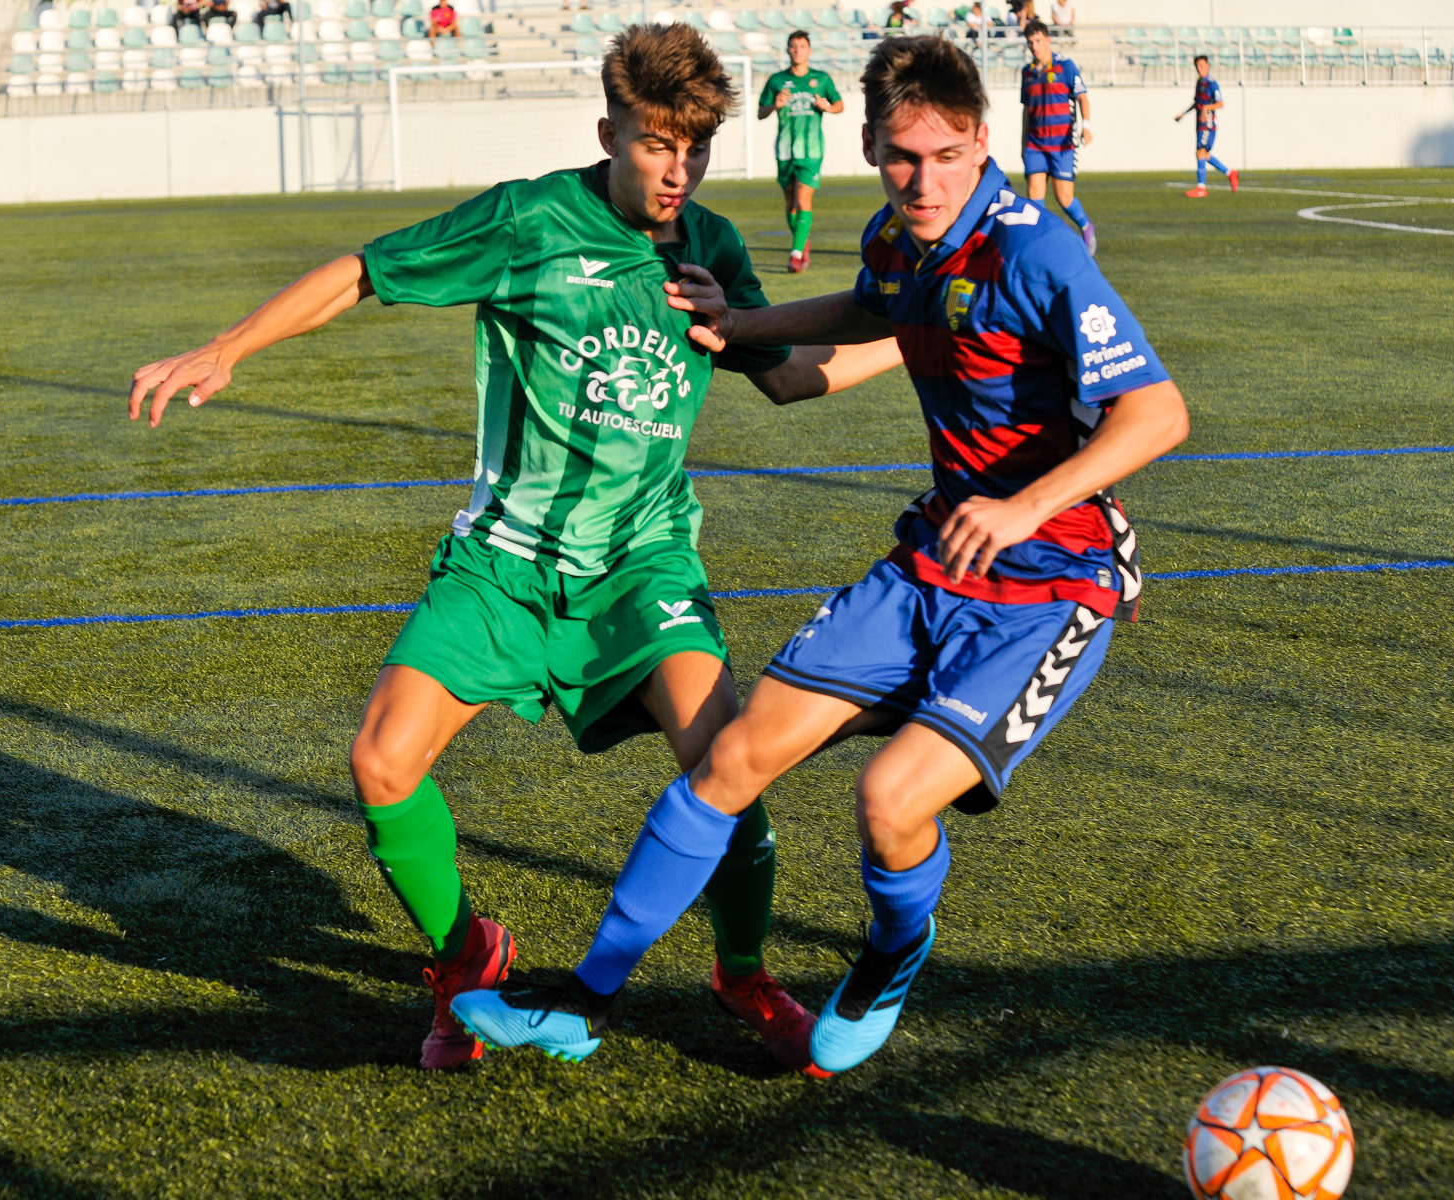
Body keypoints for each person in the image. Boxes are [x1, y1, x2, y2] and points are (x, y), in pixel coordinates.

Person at [127, 22, 905, 1074]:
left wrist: (925, 333)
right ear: (608, 131)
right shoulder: (529, 218)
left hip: (642, 568)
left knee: (727, 761)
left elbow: (785, 372)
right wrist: (226, 347)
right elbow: (367, 271)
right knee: (380, 760)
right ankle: (466, 959)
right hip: (503, 563)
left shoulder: (711, 247)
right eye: (654, 145)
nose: (677, 172)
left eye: (697, 150)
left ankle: (744, 971)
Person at [453, 33, 1189, 1077]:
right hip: (937, 557)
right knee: (733, 755)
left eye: (942, 156)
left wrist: (1025, 506)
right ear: (870, 146)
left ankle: (890, 958)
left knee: (889, 800)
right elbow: (869, 305)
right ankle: (584, 998)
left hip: (1053, 583)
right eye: (899, 157)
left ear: (982, 141)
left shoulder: (1037, 249)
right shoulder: (902, 237)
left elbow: (1158, 414)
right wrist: (739, 322)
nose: (921, 180)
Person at [757, 30, 843, 274]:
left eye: (802, 46)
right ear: (787, 50)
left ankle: (795, 255)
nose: (797, 50)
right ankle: (802, 242)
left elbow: (839, 104)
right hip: (785, 149)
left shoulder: (821, 78)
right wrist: (775, 105)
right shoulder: (776, 80)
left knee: (803, 200)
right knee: (790, 204)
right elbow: (760, 113)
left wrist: (827, 106)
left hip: (811, 150)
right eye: (793, 46)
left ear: (809, 50)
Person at [1020, 18, 1095, 253]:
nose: (1034, 46)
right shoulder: (1027, 72)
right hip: (1035, 144)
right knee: (1034, 199)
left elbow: (1082, 97)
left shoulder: (1066, 66)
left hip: (1062, 143)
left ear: (1048, 40)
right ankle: (1045, 246)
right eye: (1030, 42)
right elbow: (1026, 110)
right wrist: (1023, 143)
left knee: (1064, 198)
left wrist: (1087, 125)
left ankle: (1085, 226)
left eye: (1038, 41)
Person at [1176, 54, 1237, 198]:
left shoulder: (1212, 83)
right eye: (1197, 66)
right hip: (1199, 123)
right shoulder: (1199, 83)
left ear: (1207, 66)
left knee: (1200, 153)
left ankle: (1201, 188)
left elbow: (1220, 103)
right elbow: (1197, 103)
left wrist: (1206, 108)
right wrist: (1184, 113)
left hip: (1208, 124)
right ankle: (1230, 173)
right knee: (1203, 154)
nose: (1199, 68)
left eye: (1202, 65)